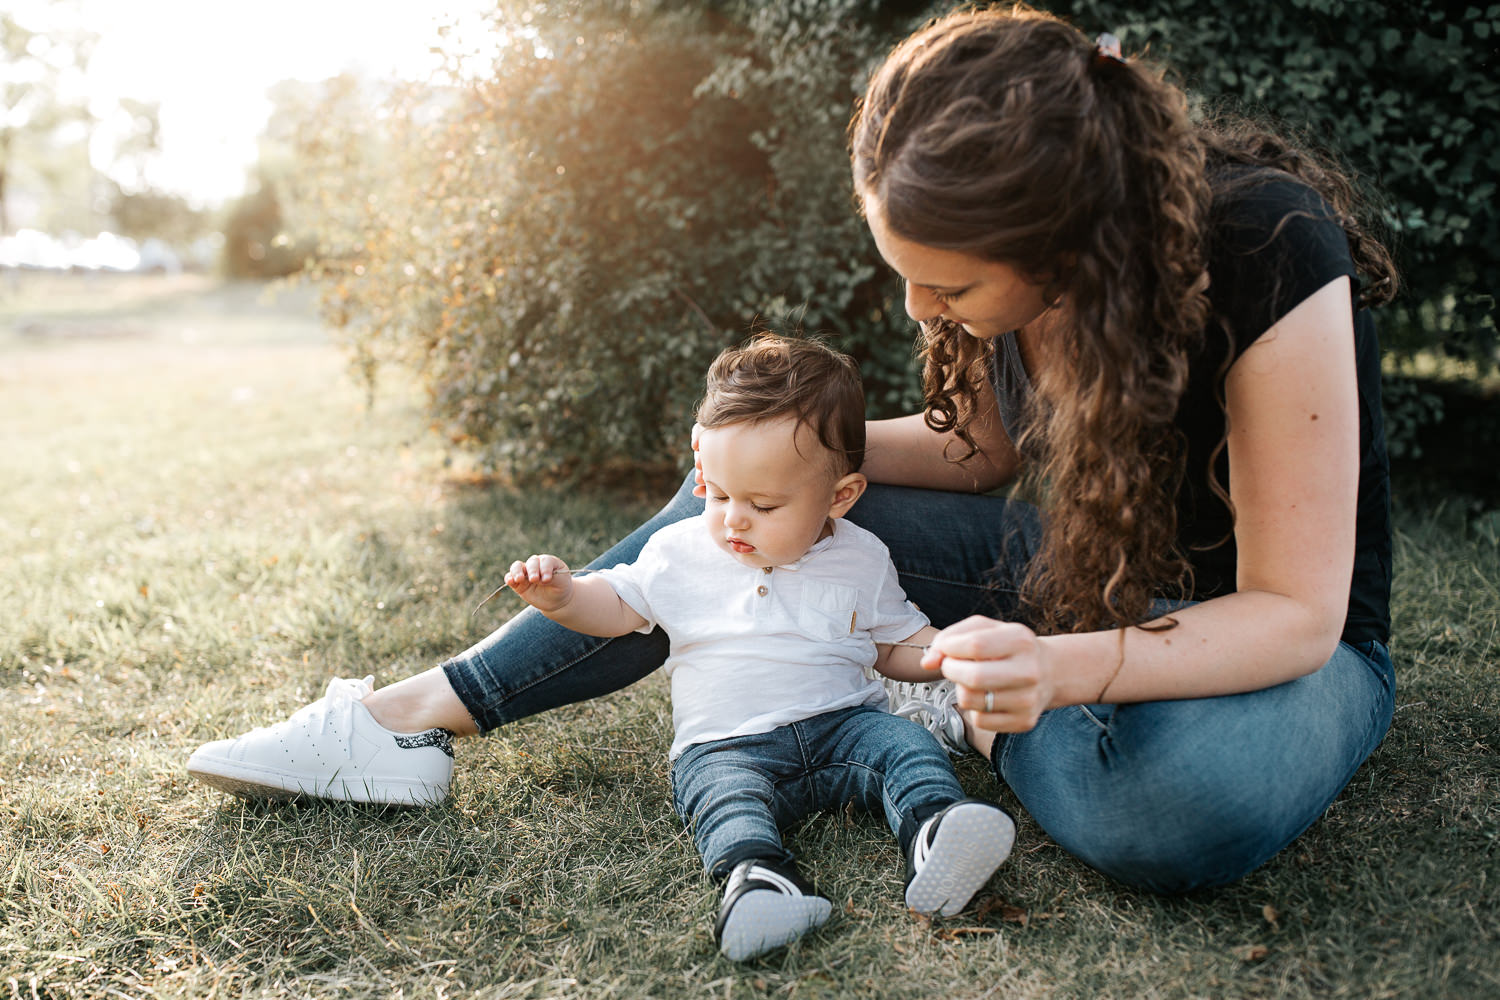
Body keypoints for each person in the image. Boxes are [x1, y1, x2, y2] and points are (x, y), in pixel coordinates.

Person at [189, 4, 1398, 898]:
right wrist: (771, 471)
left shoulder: (1261, 245)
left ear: (1073, 240)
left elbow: (1297, 610)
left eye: (951, 285)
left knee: (1167, 807)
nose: (925, 312)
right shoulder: (999, 274)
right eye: (908, 276)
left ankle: (954, 709)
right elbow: (980, 455)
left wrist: (1063, 667)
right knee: (758, 493)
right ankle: (411, 718)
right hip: (1078, 575)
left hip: (1284, 648)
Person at [503, 335, 1015, 959]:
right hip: (726, 743)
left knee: (903, 744)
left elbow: (894, 645)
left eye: (763, 504)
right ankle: (755, 881)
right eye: (717, 493)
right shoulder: (681, 551)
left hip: (844, 725)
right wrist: (563, 598)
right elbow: (617, 607)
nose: (733, 520)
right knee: (724, 799)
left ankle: (935, 828)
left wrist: (945, 650)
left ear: (840, 496)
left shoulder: (860, 555)